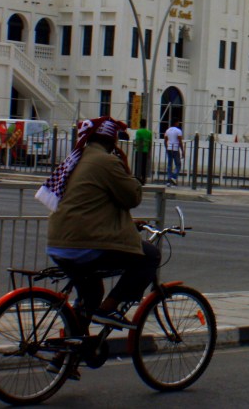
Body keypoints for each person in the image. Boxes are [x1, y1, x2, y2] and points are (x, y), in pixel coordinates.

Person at [35, 116, 161, 343]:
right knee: (149, 256)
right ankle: (108, 309)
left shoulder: (78, 159)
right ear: (112, 141)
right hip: (83, 244)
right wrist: (126, 168)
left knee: (91, 294)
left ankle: (71, 350)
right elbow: (132, 196)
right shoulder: (106, 162)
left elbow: (90, 205)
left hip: (59, 243)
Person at [164, 120, 184, 186]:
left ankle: (169, 179)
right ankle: (174, 177)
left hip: (169, 148)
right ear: (176, 123)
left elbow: (165, 140)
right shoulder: (178, 131)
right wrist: (182, 150)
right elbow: (180, 141)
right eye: (178, 122)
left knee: (169, 164)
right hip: (175, 148)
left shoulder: (167, 130)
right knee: (178, 164)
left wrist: (167, 148)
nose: (178, 123)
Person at [133, 119, 152, 185]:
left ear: (140, 124)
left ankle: (137, 178)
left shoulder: (138, 131)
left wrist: (135, 145)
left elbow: (137, 141)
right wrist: (149, 152)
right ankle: (143, 179)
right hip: (145, 150)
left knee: (138, 165)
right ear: (146, 124)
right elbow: (150, 143)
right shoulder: (149, 132)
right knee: (144, 166)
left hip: (139, 150)